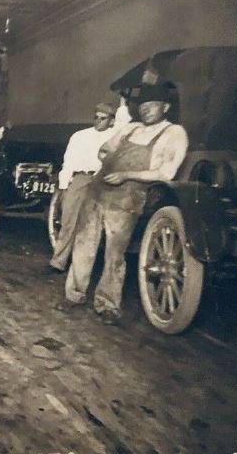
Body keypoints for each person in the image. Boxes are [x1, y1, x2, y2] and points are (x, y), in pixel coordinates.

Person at [61, 84, 188, 325]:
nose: (147, 110)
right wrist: (108, 161)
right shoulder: (131, 128)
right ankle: (74, 295)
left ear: (165, 107)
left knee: (115, 253)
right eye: (143, 106)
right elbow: (105, 149)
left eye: (153, 106)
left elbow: (166, 172)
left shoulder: (174, 133)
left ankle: (108, 304)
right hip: (98, 190)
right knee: (83, 244)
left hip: (127, 197)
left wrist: (126, 174)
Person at [44, 98, 131, 275]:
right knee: (68, 219)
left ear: (111, 121)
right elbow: (68, 161)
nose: (98, 121)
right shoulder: (79, 136)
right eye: (96, 117)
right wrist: (64, 186)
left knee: (95, 223)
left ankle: (86, 267)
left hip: (103, 180)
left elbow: (124, 123)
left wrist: (123, 103)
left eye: (103, 118)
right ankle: (58, 262)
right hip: (81, 178)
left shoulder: (114, 135)